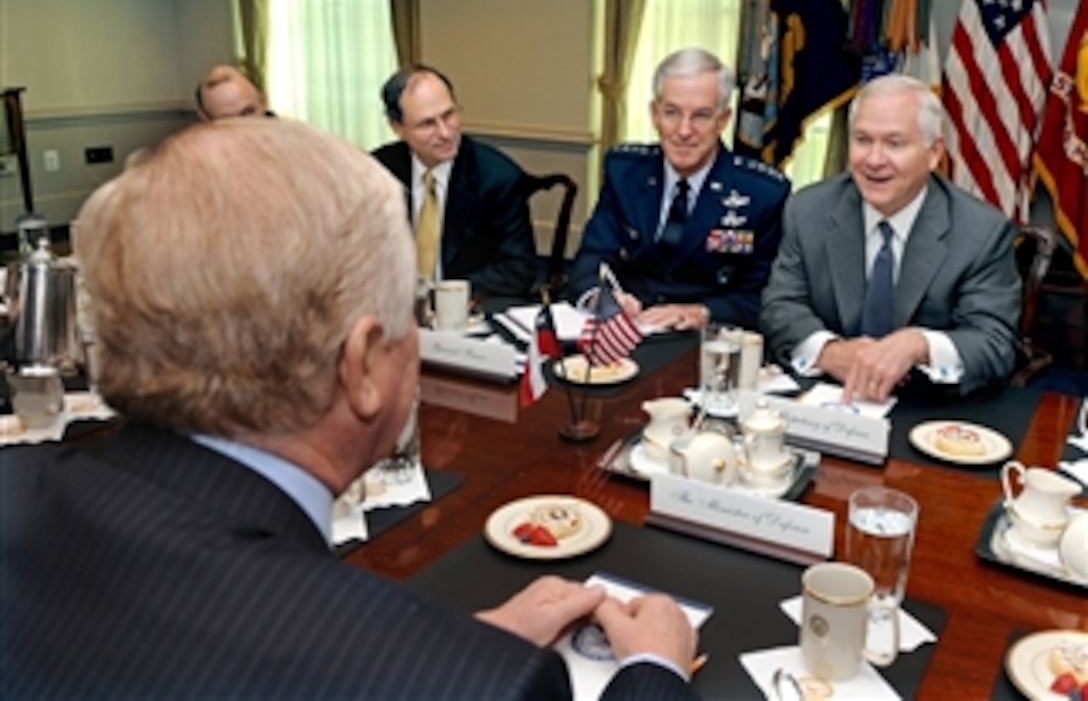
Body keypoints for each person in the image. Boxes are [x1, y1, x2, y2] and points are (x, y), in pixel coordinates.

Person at [0, 118, 699, 699]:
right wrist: (653, 671)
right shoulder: (485, 684)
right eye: (407, 316)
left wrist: (458, 639)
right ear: (363, 364)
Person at [759, 74, 1021, 402]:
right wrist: (830, 351)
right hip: (828, 404)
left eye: (894, 143)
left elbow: (994, 343)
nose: (874, 160)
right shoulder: (809, 209)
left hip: (928, 412)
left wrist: (919, 344)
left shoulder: (980, 230)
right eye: (863, 140)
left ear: (934, 152)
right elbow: (780, 306)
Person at [568, 47, 789, 330]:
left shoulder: (763, 193)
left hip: (708, 340)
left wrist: (703, 312)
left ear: (722, 120)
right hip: (626, 329)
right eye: (671, 113)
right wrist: (601, 298)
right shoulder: (624, 172)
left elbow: (764, 296)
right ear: (654, 114)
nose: (684, 131)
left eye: (701, 116)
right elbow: (592, 257)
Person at [373, 64, 537, 298]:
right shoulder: (377, 172)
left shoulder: (498, 178)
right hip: (389, 308)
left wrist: (439, 295)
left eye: (449, 115)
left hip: (463, 313)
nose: (445, 133)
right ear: (398, 128)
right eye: (427, 124)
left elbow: (517, 270)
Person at [195, 64, 272, 120]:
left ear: (263, 102)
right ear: (206, 119)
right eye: (227, 121)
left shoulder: (282, 138)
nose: (242, 128)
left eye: (248, 113)